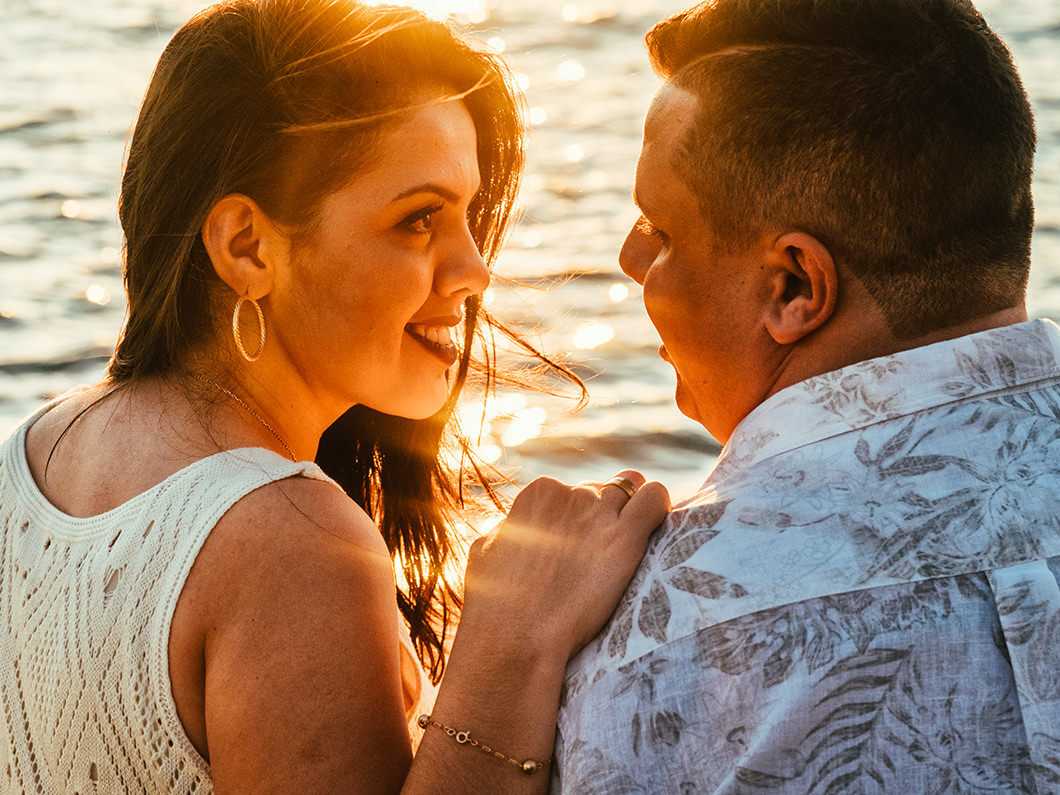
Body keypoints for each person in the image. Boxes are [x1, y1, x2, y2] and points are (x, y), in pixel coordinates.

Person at [0, 1, 671, 792]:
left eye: (465, 215)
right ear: (248, 247)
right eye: (419, 219)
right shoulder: (292, 545)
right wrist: (511, 640)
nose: (474, 270)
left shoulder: (34, 449)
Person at [554, 0, 1060, 791]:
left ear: (794, 286)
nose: (628, 257)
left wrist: (497, 664)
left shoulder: (662, 636)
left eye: (661, 229)